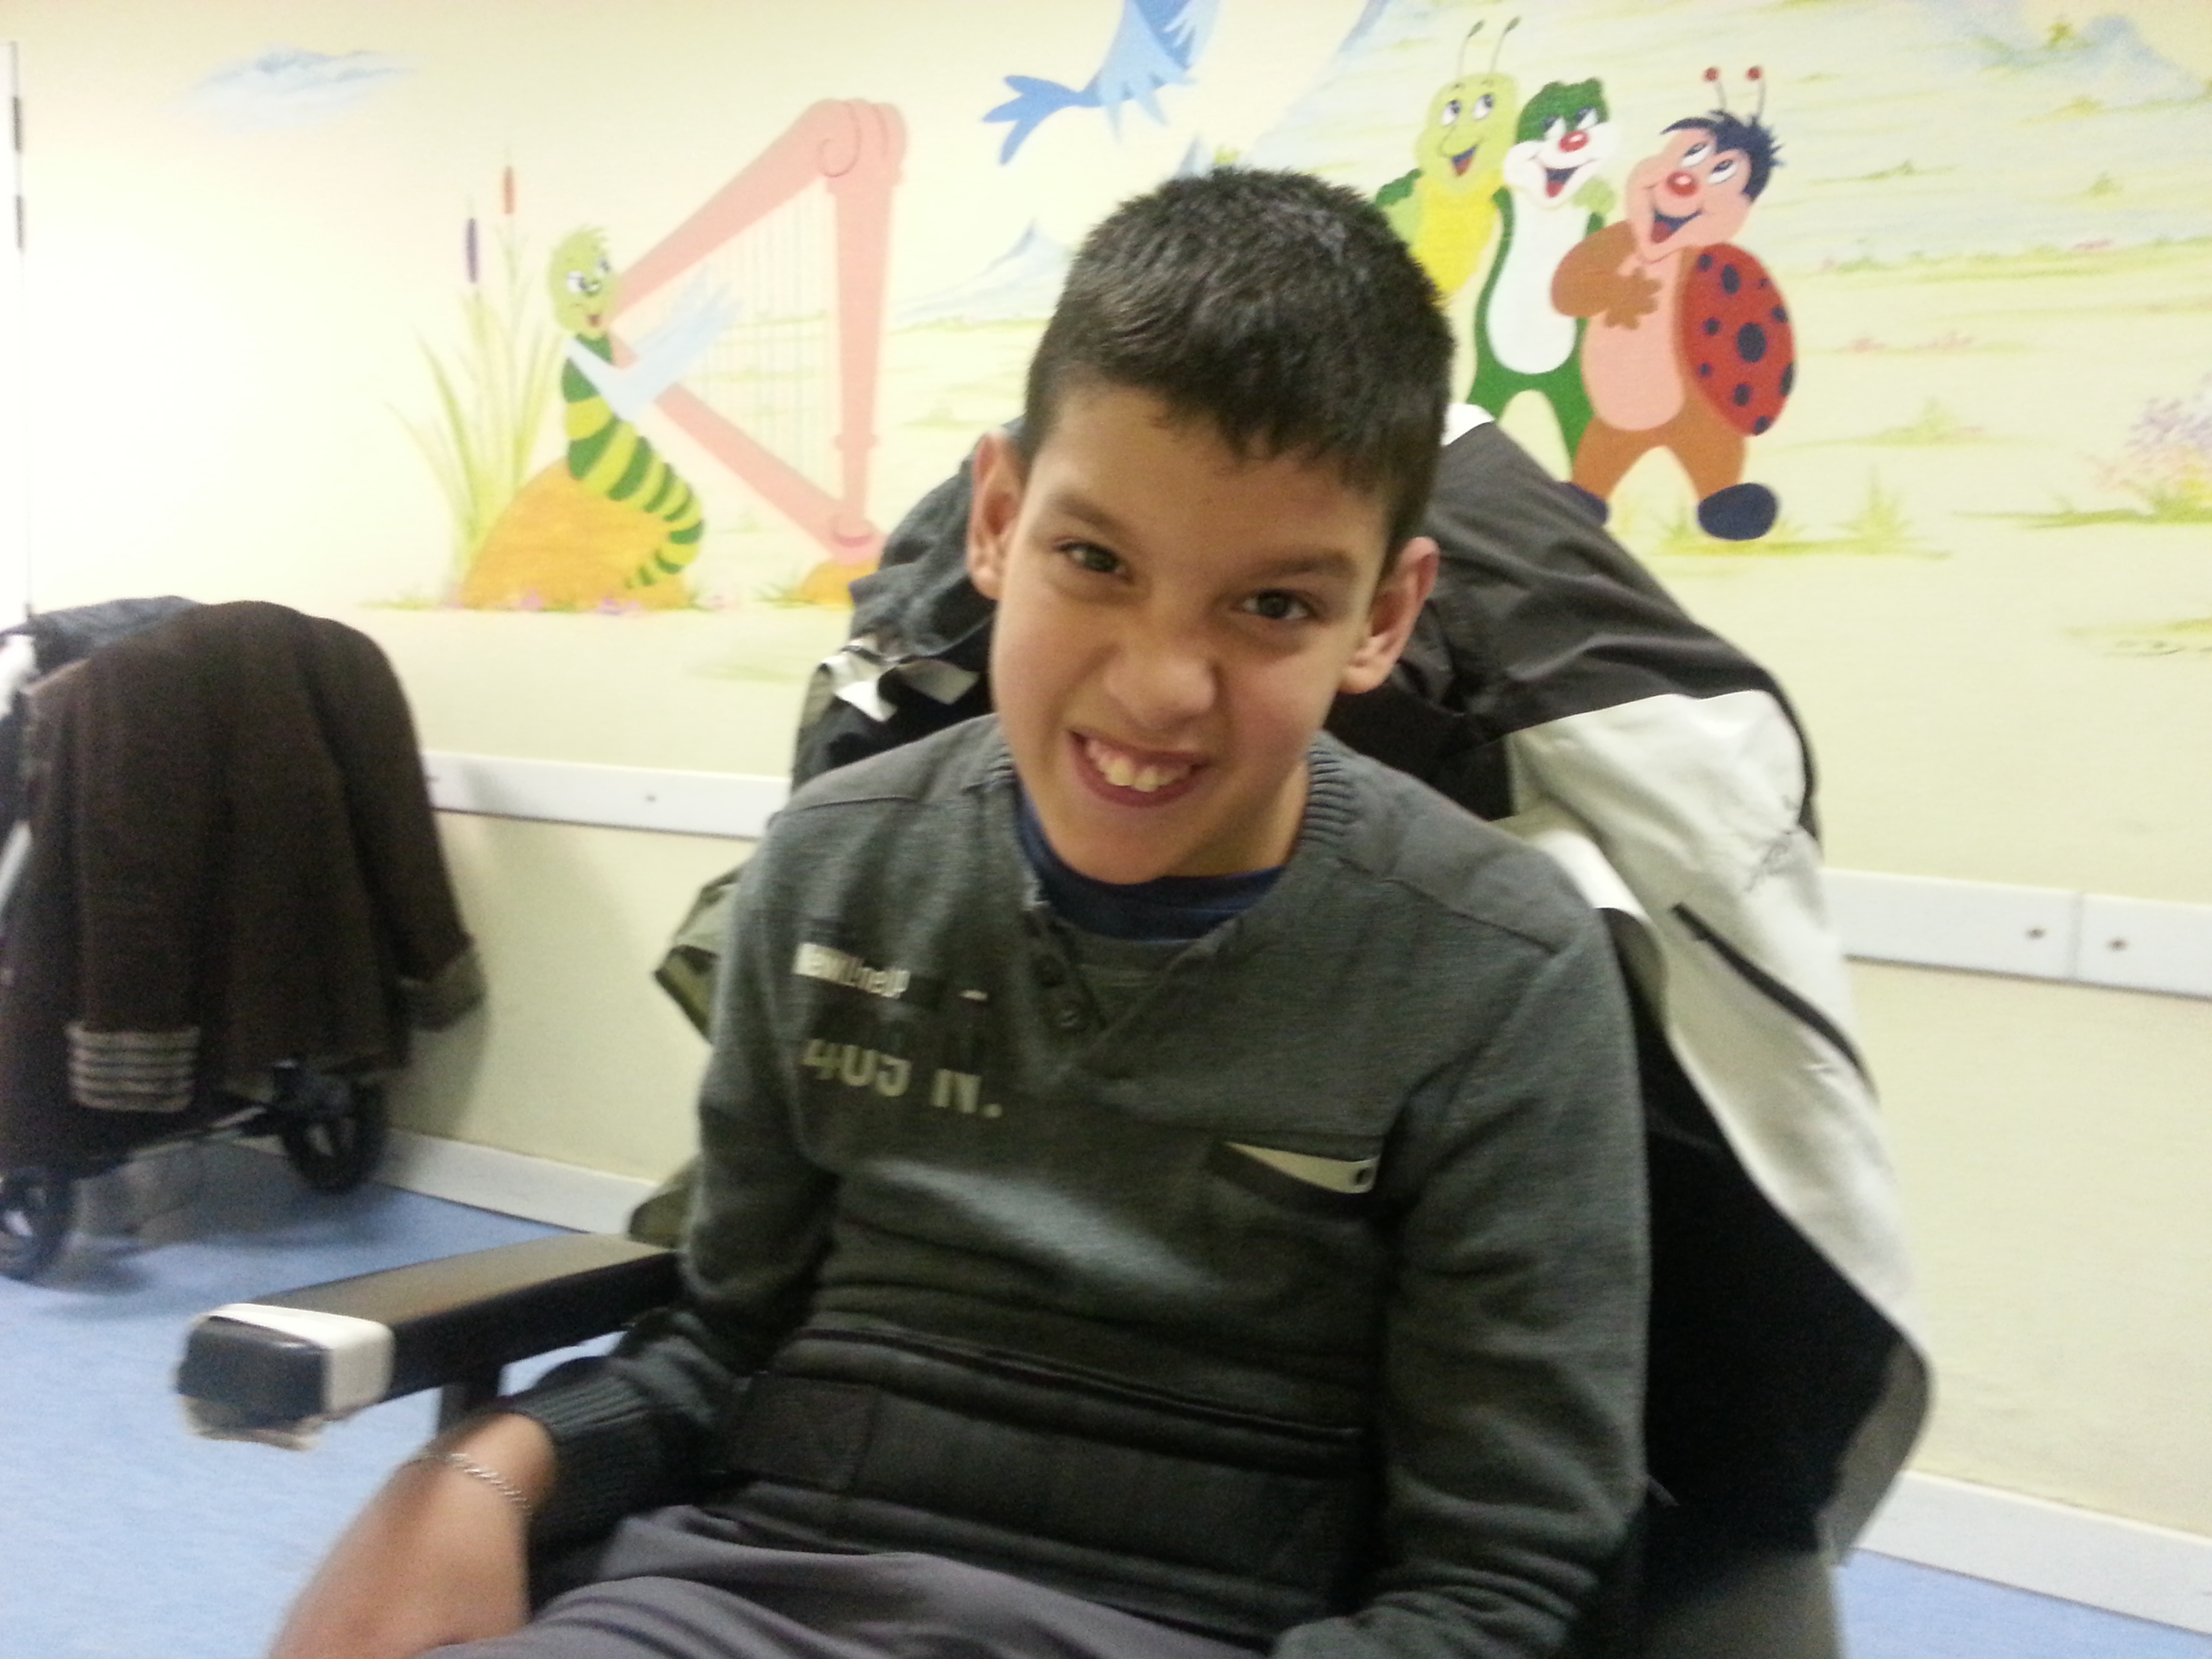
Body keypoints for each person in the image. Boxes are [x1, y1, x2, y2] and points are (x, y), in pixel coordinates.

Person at [270, 168, 1648, 1659]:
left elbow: (1493, 1586)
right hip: (748, 1590)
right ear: (997, 520)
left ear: (1381, 614)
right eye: (1095, 561)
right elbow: (721, 1336)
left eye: (1272, 607)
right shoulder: (836, 866)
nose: (1156, 687)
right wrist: (484, 1471)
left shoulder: (1496, 968)